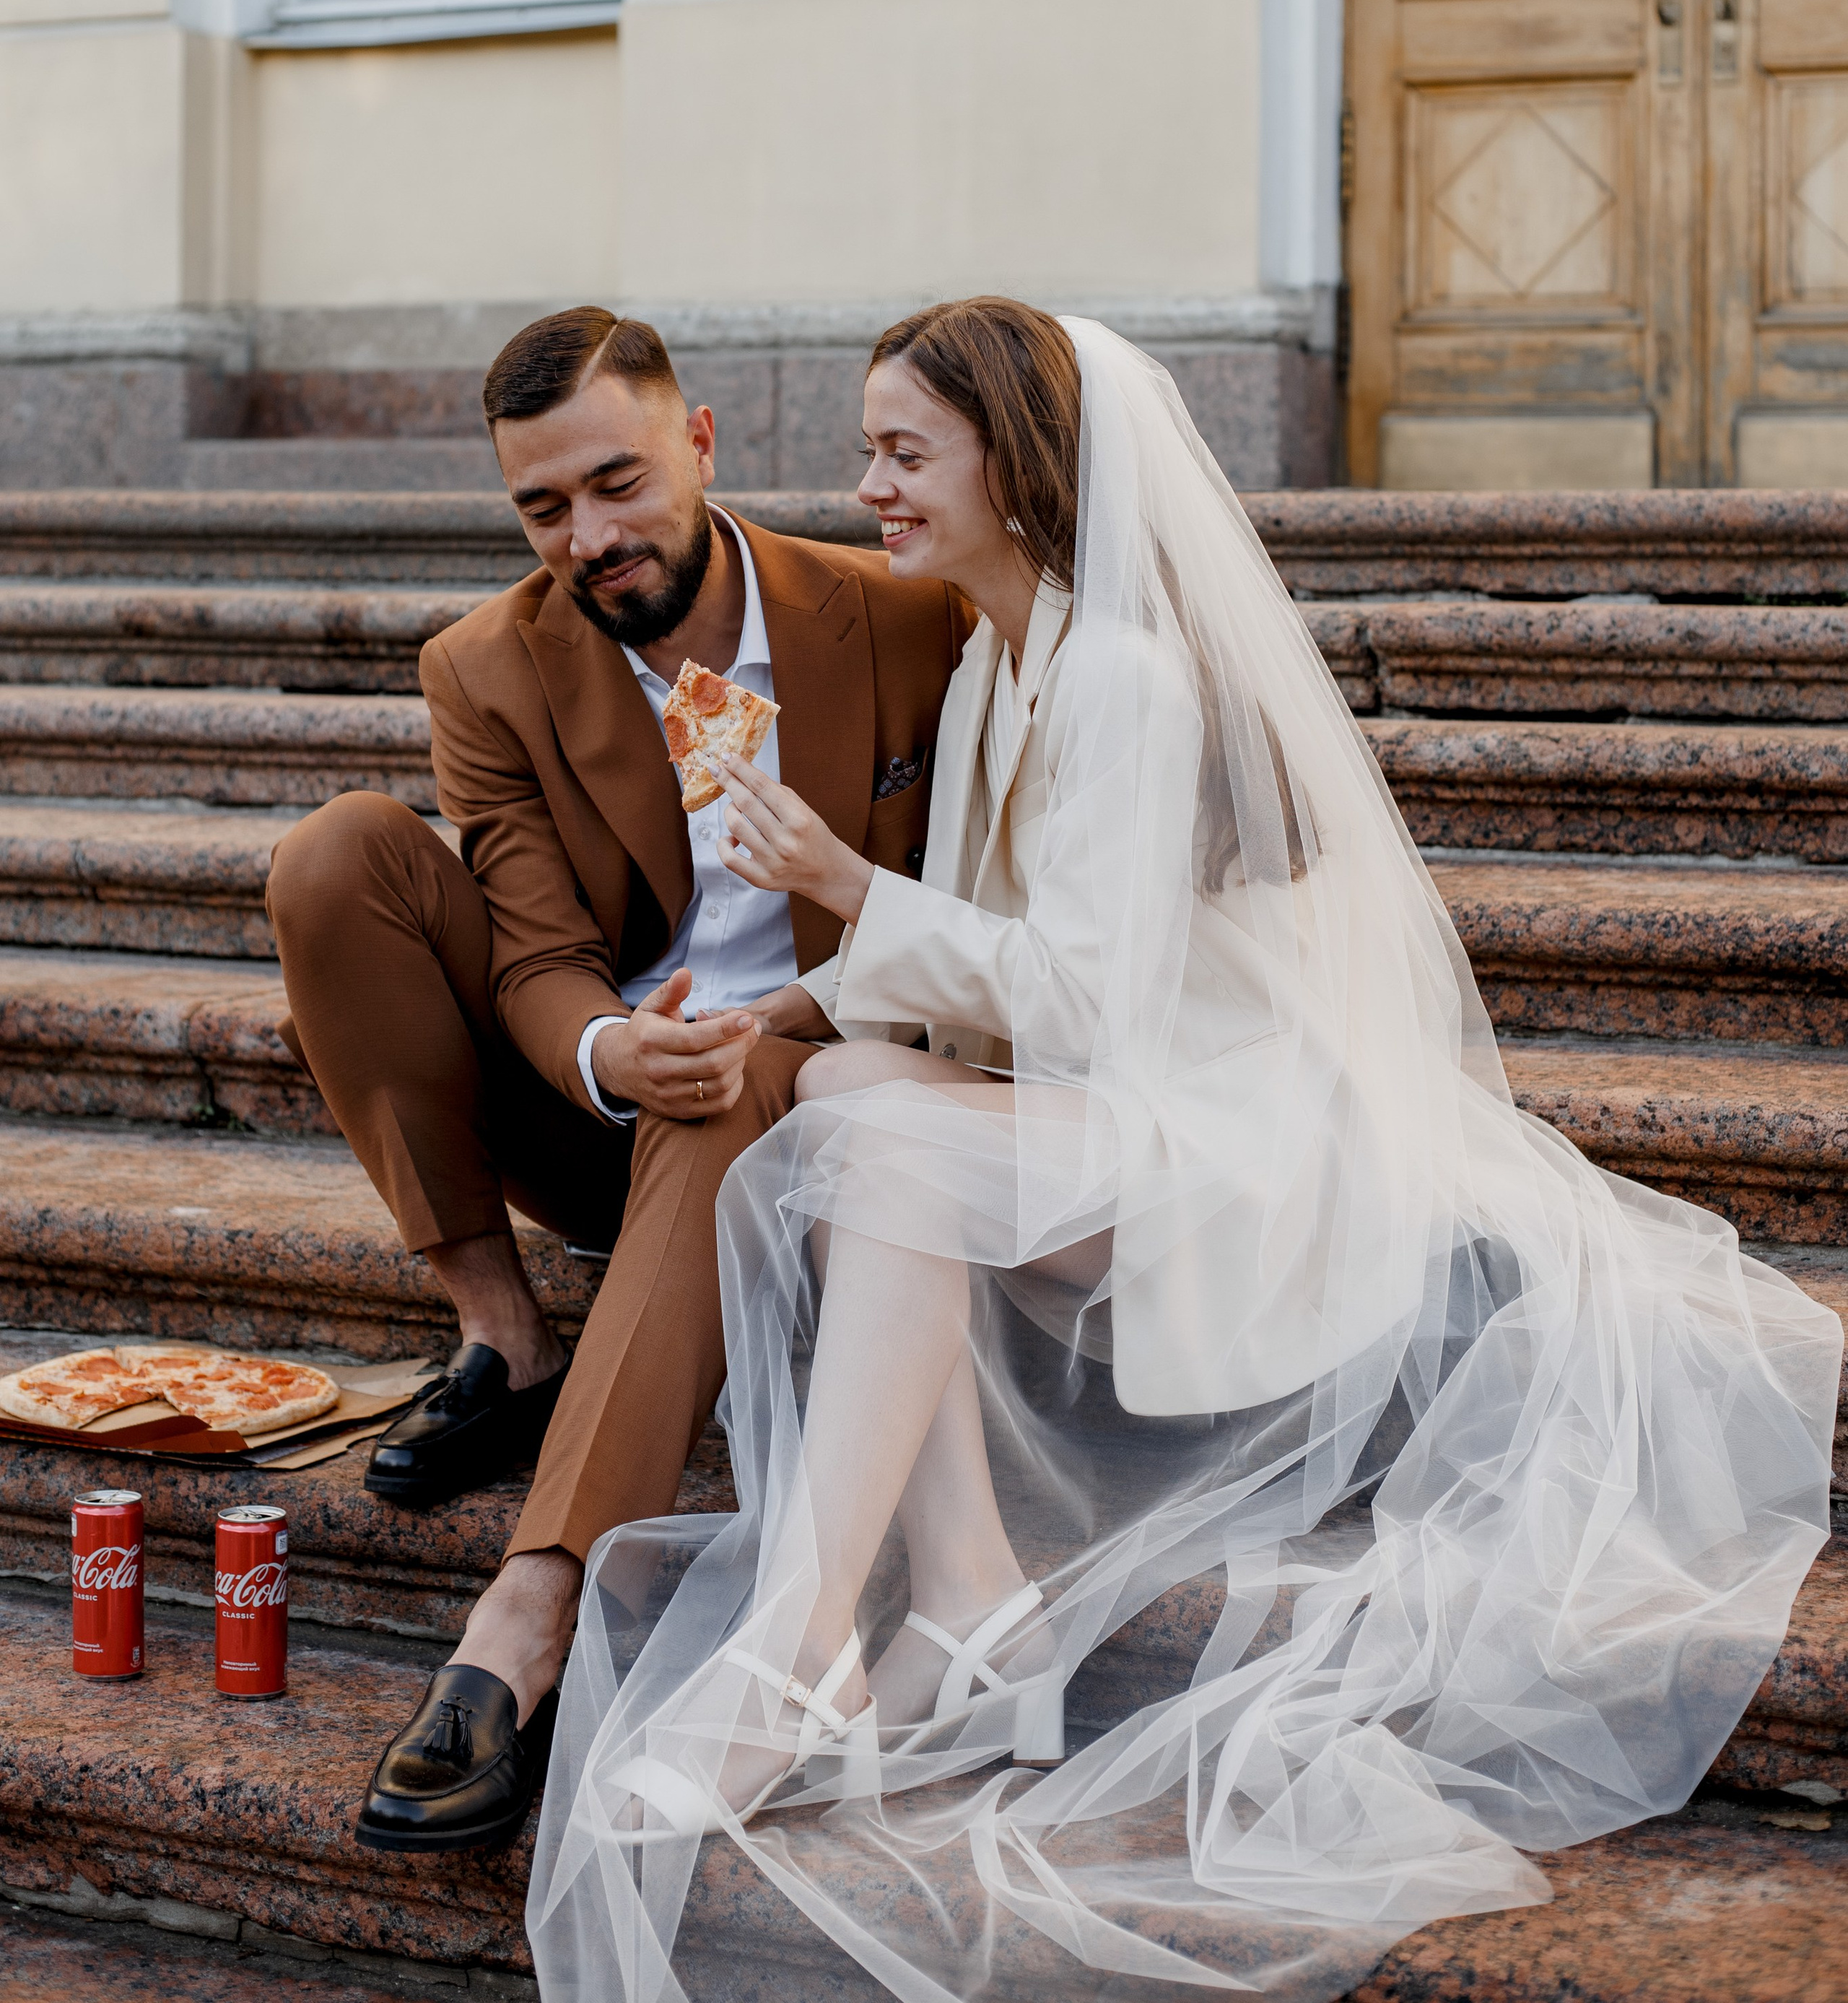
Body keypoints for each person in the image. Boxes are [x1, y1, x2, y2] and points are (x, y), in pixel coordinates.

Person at [527, 299, 1842, 2003]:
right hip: (1126, 1111)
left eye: (906, 454)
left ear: (1021, 462)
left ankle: (804, 1646)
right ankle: (972, 1598)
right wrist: (807, 986)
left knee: (887, 1149)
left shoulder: (1128, 677)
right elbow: (983, 981)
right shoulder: (1008, 655)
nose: (867, 488)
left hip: (1236, 1143)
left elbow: (1084, 1001)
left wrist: (847, 887)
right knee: (843, 1090)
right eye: (870, 451)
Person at [264, 306, 967, 1854]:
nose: (587, 537)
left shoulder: (903, 617)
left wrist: (763, 1029)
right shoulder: (487, 667)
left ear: (699, 443)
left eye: (617, 484)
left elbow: (963, 913)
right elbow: (524, 948)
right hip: (593, 1111)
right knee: (335, 860)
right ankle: (503, 1338)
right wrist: (601, 1048)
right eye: (542, 508)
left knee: (742, 1082)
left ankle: (536, 1597)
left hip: (816, 1086)